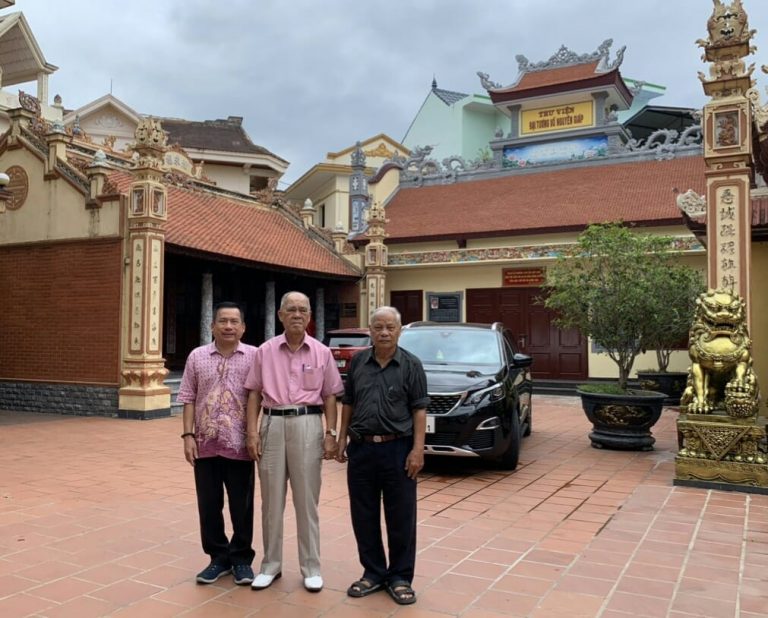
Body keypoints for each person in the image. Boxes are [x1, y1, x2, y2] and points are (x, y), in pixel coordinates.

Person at [244, 291, 342, 592]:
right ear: (280, 315)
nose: (297, 314)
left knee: (307, 500)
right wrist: (252, 432)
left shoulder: (321, 352)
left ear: (309, 316)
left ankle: (311, 567)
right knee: (271, 501)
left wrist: (330, 433)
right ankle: (270, 565)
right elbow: (254, 393)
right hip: (272, 423)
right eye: (291, 309)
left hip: (308, 424)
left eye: (302, 310)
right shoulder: (265, 351)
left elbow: (330, 396)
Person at [336, 306, 429, 605]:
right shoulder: (359, 361)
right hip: (362, 448)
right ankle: (373, 572)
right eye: (378, 327)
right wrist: (341, 438)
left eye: (390, 327)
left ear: (399, 330)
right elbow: (348, 401)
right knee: (363, 514)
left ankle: (400, 576)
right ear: (370, 330)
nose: (384, 333)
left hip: (398, 449)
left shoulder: (411, 364)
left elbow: (419, 409)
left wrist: (417, 450)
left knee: (401, 516)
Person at [177, 301, 257, 586]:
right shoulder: (197, 356)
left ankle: (241, 559)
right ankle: (218, 558)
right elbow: (188, 397)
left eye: (234, 322)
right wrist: (188, 436)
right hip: (205, 443)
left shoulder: (254, 356)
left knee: (242, 505)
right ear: (212, 326)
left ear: (243, 327)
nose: (228, 326)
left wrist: (254, 434)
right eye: (223, 321)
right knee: (209, 504)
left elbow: (258, 397)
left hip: (240, 445)